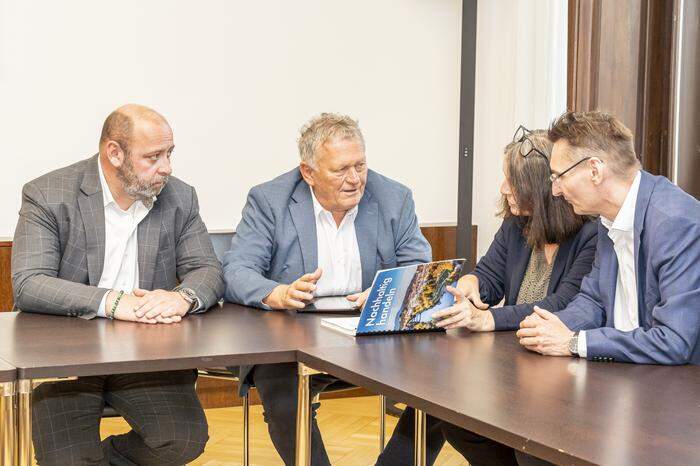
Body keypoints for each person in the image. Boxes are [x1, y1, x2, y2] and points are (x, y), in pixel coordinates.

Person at [12, 104, 224, 465]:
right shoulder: (48, 194)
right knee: (69, 460)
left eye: (169, 154)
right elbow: (28, 283)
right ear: (114, 153)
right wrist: (111, 302)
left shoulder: (180, 197)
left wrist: (183, 297)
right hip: (65, 357)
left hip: (143, 357)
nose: (167, 167)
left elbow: (207, 268)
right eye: (153, 157)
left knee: (182, 440)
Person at [376, 127, 597, 466]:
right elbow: (489, 276)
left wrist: (487, 318)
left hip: (564, 367)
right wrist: (471, 284)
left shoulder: (591, 234)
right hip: (515, 356)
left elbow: (564, 305)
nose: (504, 188)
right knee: (442, 400)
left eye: (512, 180)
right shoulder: (516, 225)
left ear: (542, 188)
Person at [223, 112, 432, 465]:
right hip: (291, 331)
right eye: (341, 170)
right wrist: (277, 293)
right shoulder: (269, 199)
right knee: (282, 388)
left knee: (442, 381)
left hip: (368, 329)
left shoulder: (393, 197)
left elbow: (418, 266)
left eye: (360, 166)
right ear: (308, 172)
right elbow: (236, 268)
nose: (355, 180)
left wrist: (387, 291)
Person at [516, 110, 700, 366]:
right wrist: (551, 327)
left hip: (677, 391)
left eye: (560, 176)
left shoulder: (675, 222)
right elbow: (593, 299)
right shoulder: (607, 217)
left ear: (594, 170)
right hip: (626, 378)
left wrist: (574, 342)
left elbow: (674, 340)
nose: (555, 190)